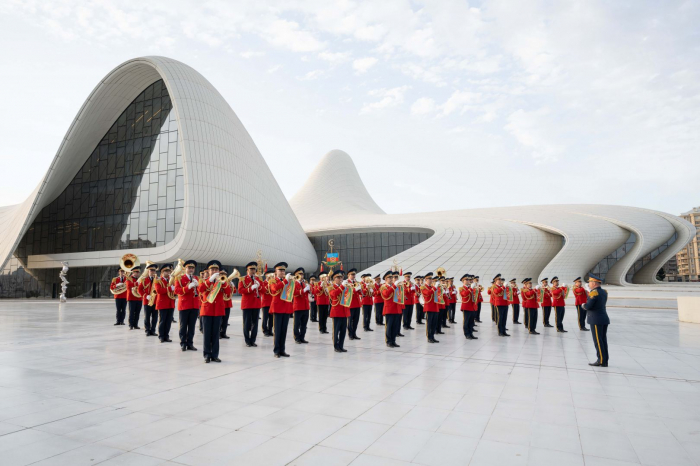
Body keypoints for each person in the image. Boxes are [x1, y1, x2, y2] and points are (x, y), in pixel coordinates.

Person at [198, 260, 231, 363]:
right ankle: (207, 355)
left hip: (218, 310)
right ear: (208, 271)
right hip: (207, 310)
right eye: (212, 269)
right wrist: (210, 280)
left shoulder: (222, 280)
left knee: (216, 334)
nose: (214, 271)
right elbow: (200, 289)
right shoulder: (203, 280)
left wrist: (224, 283)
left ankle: (215, 355)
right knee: (207, 334)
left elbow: (228, 292)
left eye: (216, 269)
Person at [583, 274, 609, 367]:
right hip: (603, 318)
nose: (589, 284)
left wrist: (583, 305)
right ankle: (605, 360)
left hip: (596, 319)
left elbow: (588, 306)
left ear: (594, 283)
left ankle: (601, 360)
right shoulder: (604, 292)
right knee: (603, 340)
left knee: (598, 341)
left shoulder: (594, 293)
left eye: (590, 282)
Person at [173, 260, 200, 352]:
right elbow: (176, 291)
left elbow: (201, 292)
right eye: (189, 268)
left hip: (194, 305)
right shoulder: (179, 278)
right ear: (185, 269)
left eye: (192, 268)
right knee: (183, 326)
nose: (191, 270)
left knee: (192, 326)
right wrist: (188, 287)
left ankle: (190, 343)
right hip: (184, 305)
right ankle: (183, 343)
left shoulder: (197, 278)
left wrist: (198, 285)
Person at [269, 262, 294, 358]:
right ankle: (276, 351)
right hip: (277, 308)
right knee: (277, 330)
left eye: (284, 270)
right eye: (280, 270)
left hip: (286, 308)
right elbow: (274, 289)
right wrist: (284, 281)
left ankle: (282, 350)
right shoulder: (273, 280)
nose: (282, 272)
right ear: (276, 271)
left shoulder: (288, 281)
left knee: (284, 330)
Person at [238, 261, 263, 347]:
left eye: (254, 269)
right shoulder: (243, 279)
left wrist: (259, 286)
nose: (253, 271)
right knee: (246, 323)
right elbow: (240, 290)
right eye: (251, 269)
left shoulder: (258, 279)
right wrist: (250, 289)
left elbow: (264, 291)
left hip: (256, 304)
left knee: (255, 323)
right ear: (247, 270)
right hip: (247, 304)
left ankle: (253, 340)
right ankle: (247, 340)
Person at [154, 264, 176, 343]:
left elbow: (175, 290)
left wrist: (175, 290)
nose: (168, 273)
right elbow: (159, 291)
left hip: (171, 303)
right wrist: (170, 288)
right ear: (162, 272)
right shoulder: (158, 280)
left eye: (169, 271)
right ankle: (161, 336)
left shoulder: (172, 280)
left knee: (168, 321)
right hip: (162, 304)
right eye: (166, 271)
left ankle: (166, 336)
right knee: (162, 321)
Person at [329, 270, 349, 352]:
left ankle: (341, 345)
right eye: (338, 277)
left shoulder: (344, 287)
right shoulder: (331, 287)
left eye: (341, 277)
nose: (340, 279)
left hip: (344, 311)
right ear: (334, 279)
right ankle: (336, 346)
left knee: (343, 331)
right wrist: (342, 287)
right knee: (336, 330)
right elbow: (333, 295)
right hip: (336, 311)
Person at [381, 271, 402, 347]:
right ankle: (388, 341)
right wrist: (394, 286)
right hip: (389, 309)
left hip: (396, 308)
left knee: (395, 326)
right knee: (389, 326)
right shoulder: (384, 287)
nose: (391, 279)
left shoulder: (394, 286)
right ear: (385, 279)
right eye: (389, 278)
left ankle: (393, 340)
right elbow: (386, 294)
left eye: (391, 277)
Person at [138, 262, 159, 336]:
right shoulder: (144, 280)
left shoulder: (158, 280)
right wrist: (145, 295)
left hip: (155, 301)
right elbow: (139, 289)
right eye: (151, 270)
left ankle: (153, 330)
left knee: (155, 317)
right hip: (147, 301)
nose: (153, 272)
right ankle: (147, 330)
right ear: (148, 271)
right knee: (147, 317)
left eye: (154, 271)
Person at [292, 267, 310, 344]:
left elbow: (307, 294)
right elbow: (294, 293)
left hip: (305, 306)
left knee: (304, 324)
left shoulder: (303, 283)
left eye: (302, 274)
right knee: (297, 324)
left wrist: (309, 289)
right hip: (298, 306)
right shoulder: (294, 283)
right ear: (296, 274)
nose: (301, 275)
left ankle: (302, 337)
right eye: (300, 274)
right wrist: (304, 290)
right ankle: (297, 338)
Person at [421, 272, 439, 343]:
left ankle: (432, 336)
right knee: (429, 323)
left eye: (431, 278)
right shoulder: (423, 287)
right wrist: (435, 287)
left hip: (435, 307)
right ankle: (429, 337)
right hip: (429, 307)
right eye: (430, 278)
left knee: (434, 323)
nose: (431, 280)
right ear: (426, 279)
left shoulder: (432, 287)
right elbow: (428, 293)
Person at [345, 269, 363, 341]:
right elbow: (347, 292)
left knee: (356, 320)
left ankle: (354, 333)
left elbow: (360, 294)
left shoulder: (356, 282)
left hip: (357, 304)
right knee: (350, 320)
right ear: (348, 275)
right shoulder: (346, 283)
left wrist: (360, 290)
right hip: (351, 304)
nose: (353, 276)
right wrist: (355, 289)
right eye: (352, 275)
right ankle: (350, 334)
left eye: (354, 275)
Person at [459, 274, 477, 339]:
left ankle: (471, 333)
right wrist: (471, 289)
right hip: (466, 307)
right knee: (466, 321)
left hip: (472, 306)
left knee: (471, 322)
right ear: (463, 281)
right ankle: (467, 334)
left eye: (468, 279)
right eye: (466, 280)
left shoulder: (470, 287)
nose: (468, 281)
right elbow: (464, 294)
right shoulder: (461, 288)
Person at [219, 270, 233, 339]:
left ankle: (223, 333)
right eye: (221, 274)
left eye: (224, 274)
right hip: (221, 303)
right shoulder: (218, 282)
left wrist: (231, 286)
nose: (223, 275)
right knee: (219, 320)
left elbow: (234, 291)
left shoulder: (228, 282)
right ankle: (218, 333)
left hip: (227, 303)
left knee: (225, 320)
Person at [260, 271, 274, 337]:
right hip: (265, 303)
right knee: (265, 318)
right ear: (266, 275)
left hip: (272, 303)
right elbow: (263, 291)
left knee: (271, 318)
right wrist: (268, 284)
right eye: (269, 274)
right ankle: (265, 330)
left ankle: (270, 330)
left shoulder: (273, 282)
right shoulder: (263, 283)